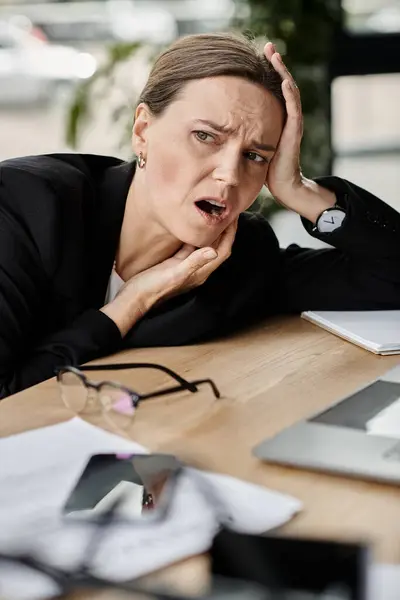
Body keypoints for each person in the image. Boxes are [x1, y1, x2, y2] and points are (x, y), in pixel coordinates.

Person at [0, 33, 399, 400]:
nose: (230, 174)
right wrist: (134, 301)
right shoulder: (25, 207)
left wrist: (300, 190)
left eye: (255, 155)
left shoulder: (240, 255)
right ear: (142, 130)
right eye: (205, 136)